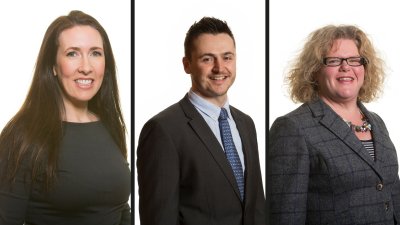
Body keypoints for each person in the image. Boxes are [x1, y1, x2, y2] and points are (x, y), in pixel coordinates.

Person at [0, 11, 130, 225]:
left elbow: (117, 208)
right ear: (52, 65)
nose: (86, 67)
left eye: (95, 53)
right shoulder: (22, 135)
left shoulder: (109, 124)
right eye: (73, 53)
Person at [137, 17, 265, 225]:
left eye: (227, 57)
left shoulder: (246, 123)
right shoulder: (163, 130)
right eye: (207, 59)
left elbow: (257, 207)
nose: (219, 68)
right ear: (187, 65)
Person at [269, 24, 400, 224]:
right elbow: (285, 216)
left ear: (365, 68)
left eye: (354, 60)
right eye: (334, 60)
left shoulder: (377, 123)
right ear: (314, 71)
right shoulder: (292, 128)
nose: (346, 67)